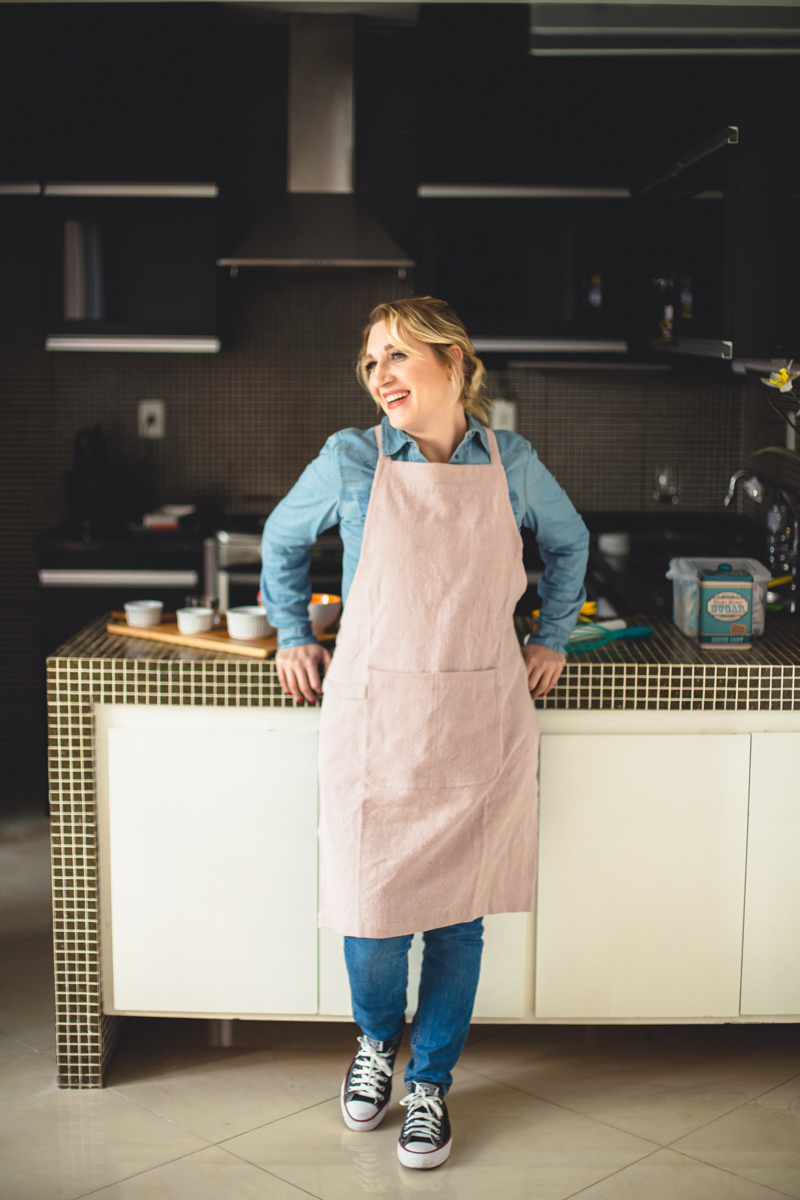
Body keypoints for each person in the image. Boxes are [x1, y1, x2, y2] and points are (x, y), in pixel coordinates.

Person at [261, 296, 588, 1170]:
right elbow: (281, 540)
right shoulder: (349, 459)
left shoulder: (509, 461)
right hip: (379, 722)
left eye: (399, 356)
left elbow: (570, 542)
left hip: (477, 716)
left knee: (456, 922)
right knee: (371, 917)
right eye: (372, 364)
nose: (383, 377)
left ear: (453, 361)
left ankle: (431, 1085)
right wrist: (293, 633)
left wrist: (552, 634)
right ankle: (376, 1045)